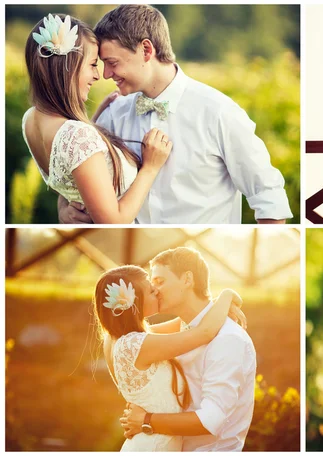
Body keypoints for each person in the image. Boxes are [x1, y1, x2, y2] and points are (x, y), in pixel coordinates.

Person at [59, 4, 293, 224]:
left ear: (146, 50)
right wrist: (66, 212)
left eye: (112, 62)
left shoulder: (219, 112)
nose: (107, 74)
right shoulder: (113, 114)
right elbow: (77, 178)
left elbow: (268, 196)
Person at [22, 14, 173, 224]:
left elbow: (69, 177)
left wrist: (91, 125)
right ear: (69, 66)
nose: (98, 75)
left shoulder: (31, 119)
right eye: (93, 64)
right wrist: (150, 168)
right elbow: (114, 222)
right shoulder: (77, 136)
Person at [94, 264, 245, 451]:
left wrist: (211, 305)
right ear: (134, 302)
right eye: (151, 290)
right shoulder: (137, 345)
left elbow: (185, 323)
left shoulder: (117, 339)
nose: (157, 292)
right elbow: (204, 332)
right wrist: (227, 295)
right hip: (153, 446)